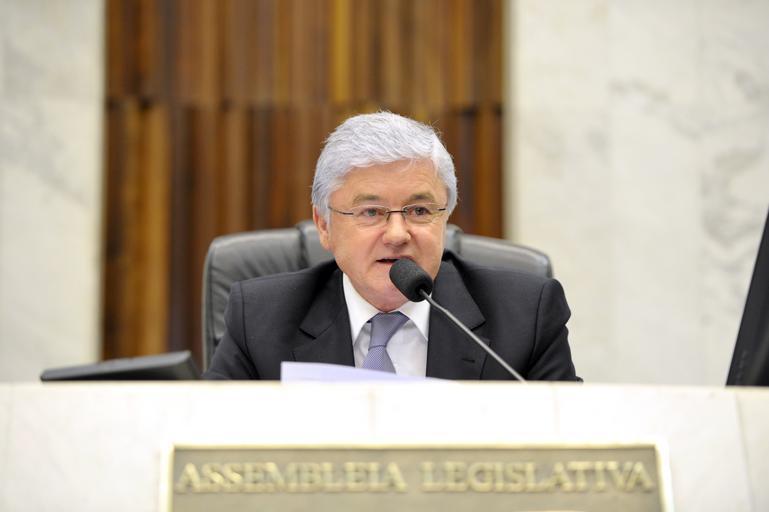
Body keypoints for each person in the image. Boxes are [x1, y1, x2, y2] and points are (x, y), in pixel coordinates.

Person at [205, 112, 579, 381]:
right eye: (371, 212)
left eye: (419, 211)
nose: (397, 234)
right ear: (324, 226)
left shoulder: (526, 317)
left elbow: (568, 446)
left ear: (445, 217)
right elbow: (211, 442)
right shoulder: (260, 320)